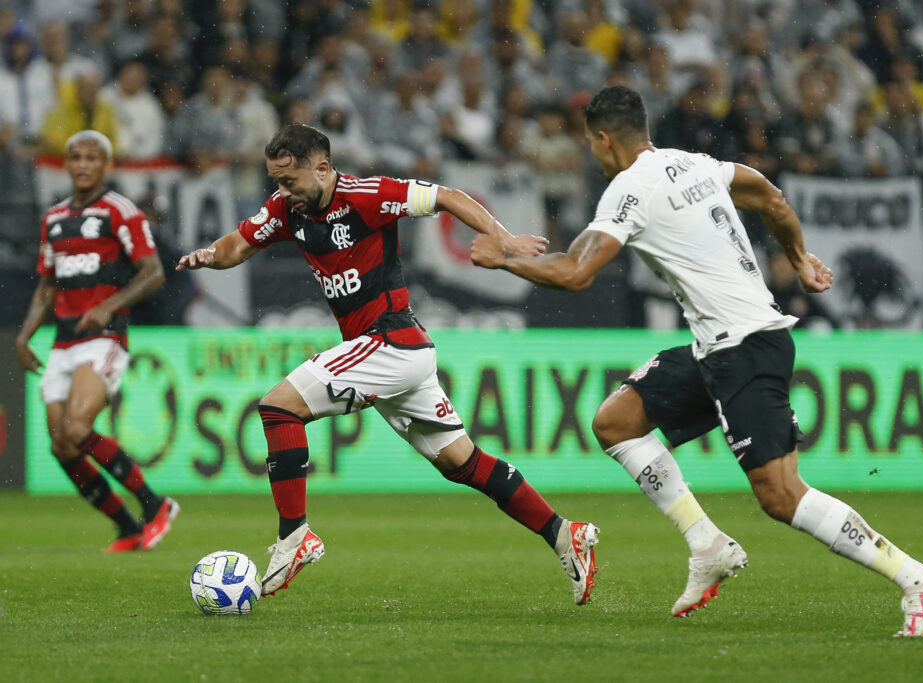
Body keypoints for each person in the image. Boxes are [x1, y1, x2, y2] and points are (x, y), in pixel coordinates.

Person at [471, 86, 923, 637]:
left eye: (591, 144)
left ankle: (919, 579)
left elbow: (576, 274)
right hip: (717, 346)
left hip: (745, 347)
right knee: (616, 421)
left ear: (604, 139)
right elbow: (768, 195)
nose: (593, 154)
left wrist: (503, 258)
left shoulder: (628, 189)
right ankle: (706, 544)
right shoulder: (691, 163)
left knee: (780, 495)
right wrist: (797, 257)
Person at [176, 123, 600, 603]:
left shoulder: (368, 196)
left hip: (391, 343)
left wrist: (501, 239)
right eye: (276, 181)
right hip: (394, 356)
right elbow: (238, 244)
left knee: (278, 408)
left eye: (289, 181)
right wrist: (210, 255)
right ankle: (565, 533)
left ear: (322, 167)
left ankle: (295, 537)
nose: (283, 192)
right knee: (463, 463)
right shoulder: (286, 208)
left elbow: (447, 196)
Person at [15, 130, 179, 553]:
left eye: (92, 158)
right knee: (61, 445)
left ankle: (156, 505)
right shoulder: (53, 219)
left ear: (106, 166)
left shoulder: (119, 212)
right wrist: (25, 335)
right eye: (76, 157)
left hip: (103, 339)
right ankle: (126, 526)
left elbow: (154, 273)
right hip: (63, 342)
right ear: (67, 165)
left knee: (77, 427)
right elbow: (47, 286)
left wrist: (110, 306)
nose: (83, 164)